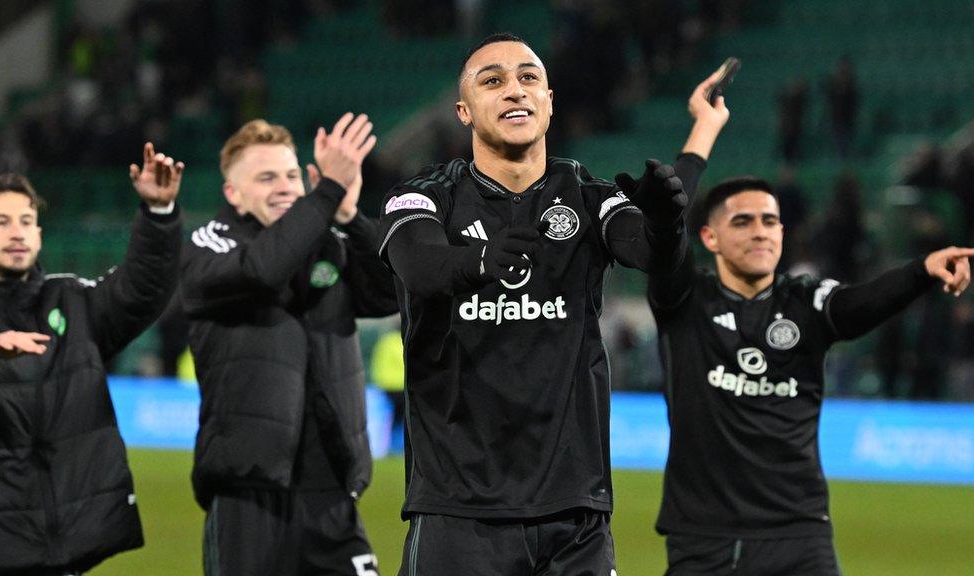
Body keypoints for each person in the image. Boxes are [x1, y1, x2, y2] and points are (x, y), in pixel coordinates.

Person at [378, 33, 724, 574]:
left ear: (549, 100)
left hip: (576, 517)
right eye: (493, 81)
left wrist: (664, 220)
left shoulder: (586, 191)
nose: (514, 90)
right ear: (464, 112)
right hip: (459, 513)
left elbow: (648, 250)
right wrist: (480, 261)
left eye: (528, 78)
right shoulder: (424, 194)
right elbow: (420, 266)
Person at [649, 173, 974, 573]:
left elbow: (858, 306)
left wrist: (921, 270)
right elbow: (663, 243)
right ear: (709, 237)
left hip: (800, 537)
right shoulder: (685, 301)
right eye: (742, 222)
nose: (760, 232)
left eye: (770, 222)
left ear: (783, 232)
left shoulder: (806, 300)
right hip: (705, 540)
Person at [0, 143, 184, 574]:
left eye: (26, 222)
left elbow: (140, 291)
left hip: (62, 545)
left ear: (39, 234)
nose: (17, 232)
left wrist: (158, 215)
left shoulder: (72, 301)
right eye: (1, 222)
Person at [181, 115, 397, 575]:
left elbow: (390, 291)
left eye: (291, 175)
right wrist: (324, 195)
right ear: (232, 194)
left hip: (331, 493)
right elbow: (264, 268)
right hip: (250, 492)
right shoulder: (208, 246)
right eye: (266, 178)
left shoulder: (327, 243)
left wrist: (348, 217)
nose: (283, 186)